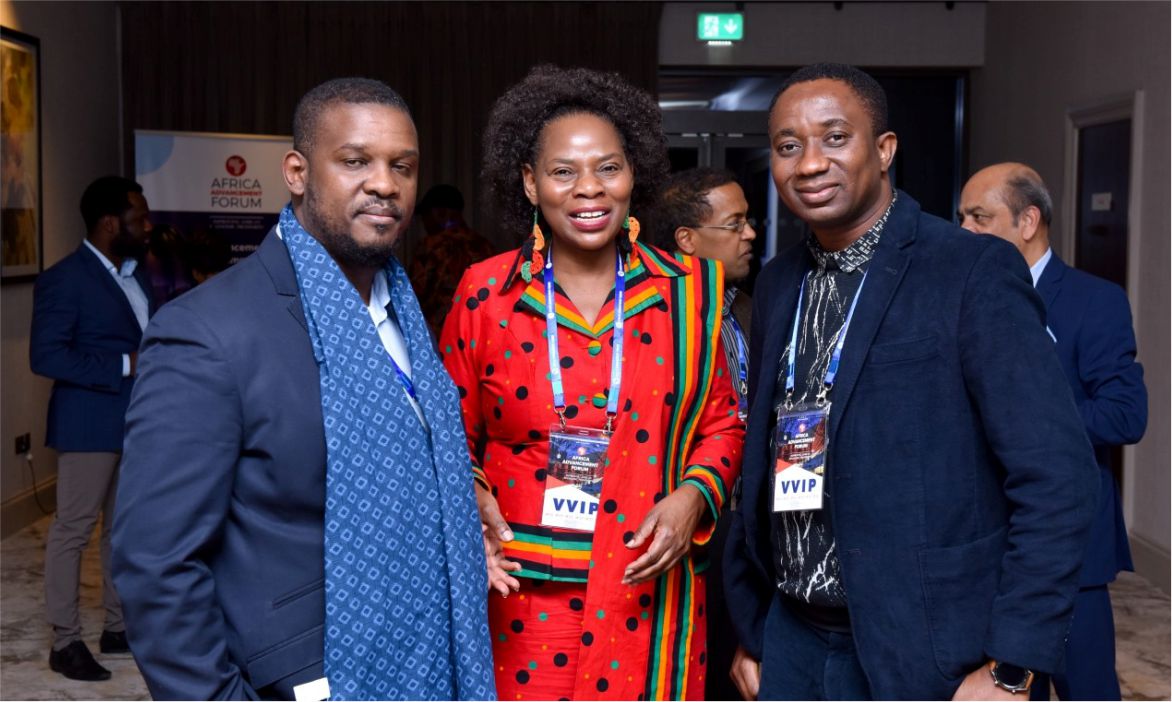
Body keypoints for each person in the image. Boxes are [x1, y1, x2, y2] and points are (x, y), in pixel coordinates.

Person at [111, 77, 496, 701]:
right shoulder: (208, 330)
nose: (384, 184)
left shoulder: (404, 313)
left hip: (434, 658)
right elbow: (154, 565)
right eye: (355, 161)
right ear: (296, 172)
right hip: (310, 674)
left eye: (402, 166)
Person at [723, 63, 1098, 701]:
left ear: (884, 149)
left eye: (835, 138)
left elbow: (1056, 476)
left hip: (926, 648)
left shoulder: (969, 270)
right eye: (788, 146)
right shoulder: (780, 283)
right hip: (791, 637)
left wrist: (1012, 665)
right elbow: (762, 458)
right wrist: (754, 627)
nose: (809, 163)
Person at [441, 65, 744, 701]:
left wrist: (693, 498)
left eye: (608, 167)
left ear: (634, 174)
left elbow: (723, 423)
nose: (589, 189)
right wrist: (472, 500)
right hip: (523, 600)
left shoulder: (689, 292)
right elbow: (446, 438)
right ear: (531, 182)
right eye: (563, 171)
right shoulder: (486, 294)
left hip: (648, 594)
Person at [959, 162, 1147, 701]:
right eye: (962, 217)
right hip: (987, 544)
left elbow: (1125, 414)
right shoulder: (960, 298)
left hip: (1072, 546)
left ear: (1028, 221)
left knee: (1088, 689)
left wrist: (1027, 421)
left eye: (980, 217)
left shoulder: (1095, 301)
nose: (965, 230)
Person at [29, 175, 155, 681]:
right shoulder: (65, 278)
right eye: (138, 218)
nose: (148, 226)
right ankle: (64, 642)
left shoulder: (136, 274)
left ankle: (118, 628)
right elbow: (47, 356)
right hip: (87, 425)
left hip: (134, 423)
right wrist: (125, 365)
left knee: (122, 532)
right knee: (73, 532)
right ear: (109, 223)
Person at [652, 167, 759, 700]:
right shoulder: (655, 316)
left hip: (752, 521)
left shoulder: (750, 307)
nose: (751, 234)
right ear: (687, 240)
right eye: (735, 224)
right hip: (690, 520)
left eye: (749, 221)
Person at [407, 183, 495, 338]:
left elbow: (412, 296)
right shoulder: (485, 246)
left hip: (439, 336)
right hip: (477, 333)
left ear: (440, 213)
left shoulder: (431, 246)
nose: (424, 222)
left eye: (426, 215)